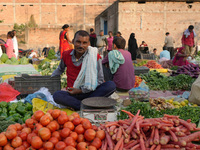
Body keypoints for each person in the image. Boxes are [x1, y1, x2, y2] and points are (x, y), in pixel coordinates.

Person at [52, 30, 116, 110]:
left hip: (91, 92)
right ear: (73, 41)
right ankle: (86, 105)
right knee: (57, 95)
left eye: (84, 43)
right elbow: (59, 70)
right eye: (78, 42)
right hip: (72, 93)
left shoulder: (94, 56)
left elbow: (99, 80)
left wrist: (81, 90)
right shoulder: (66, 55)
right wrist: (49, 79)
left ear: (89, 44)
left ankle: (79, 105)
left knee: (111, 85)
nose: (81, 45)